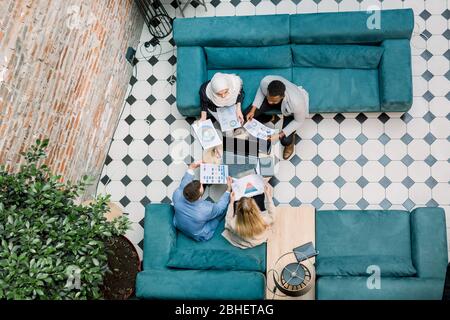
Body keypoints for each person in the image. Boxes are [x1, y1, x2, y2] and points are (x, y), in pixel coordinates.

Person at [245, 76, 309, 160]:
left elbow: (298, 121)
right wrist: (253, 110)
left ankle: (290, 143)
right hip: (275, 97)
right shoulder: (265, 82)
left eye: (273, 101)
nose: (270, 103)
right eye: (268, 98)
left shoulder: (297, 103)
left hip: (289, 109)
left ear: (282, 96)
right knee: (246, 115)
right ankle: (268, 118)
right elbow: (261, 91)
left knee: (285, 140)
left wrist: (278, 135)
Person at [172, 161, 233, 241]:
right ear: (199, 197)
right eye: (202, 188)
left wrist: (192, 167)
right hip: (199, 233)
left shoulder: (177, 194)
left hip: (178, 224)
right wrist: (228, 189)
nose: (201, 184)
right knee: (222, 211)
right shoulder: (206, 209)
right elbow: (219, 208)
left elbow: (184, 182)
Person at [222, 183, 276, 249]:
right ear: (255, 208)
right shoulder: (264, 220)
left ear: (238, 211)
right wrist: (267, 195)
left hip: (244, 240)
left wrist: (231, 202)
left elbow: (228, 219)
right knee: (260, 197)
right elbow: (272, 214)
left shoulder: (234, 224)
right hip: (258, 239)